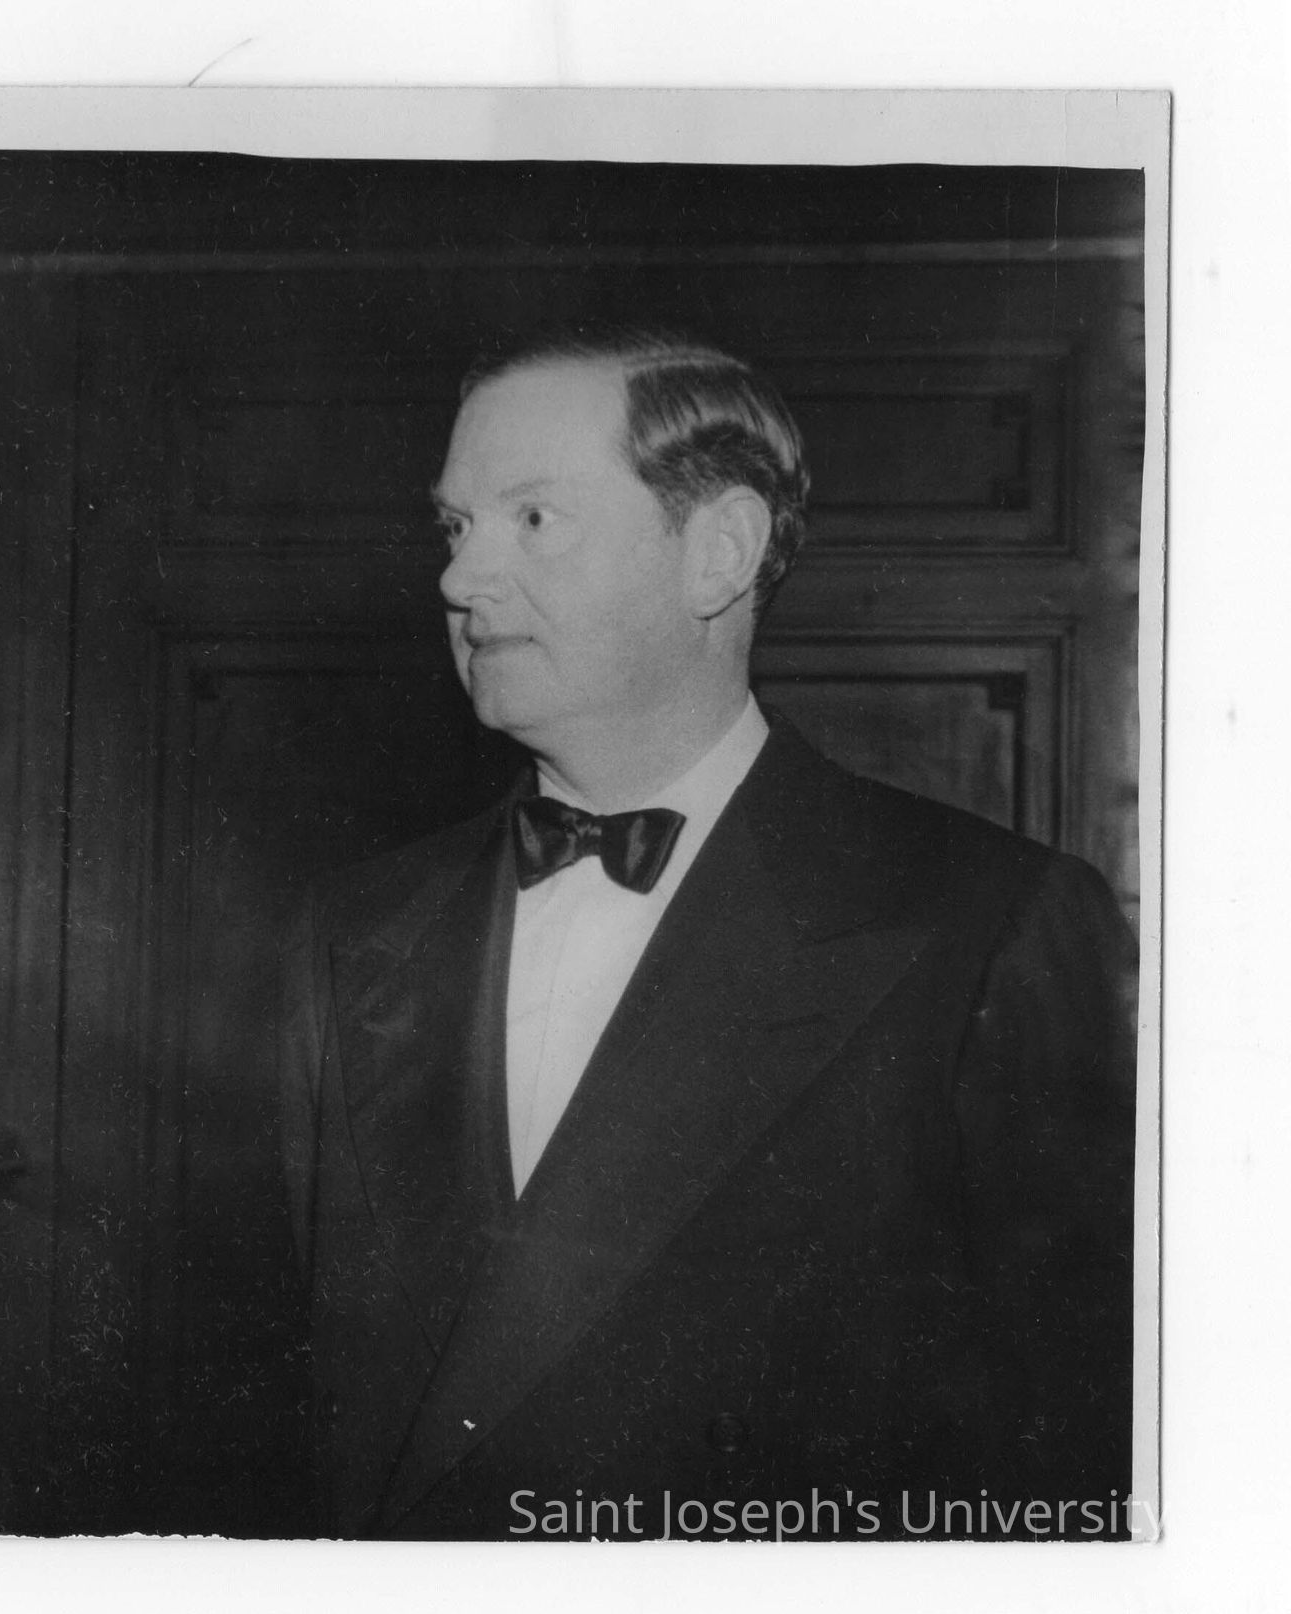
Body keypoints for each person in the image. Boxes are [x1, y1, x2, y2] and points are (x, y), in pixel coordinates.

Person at [281, 329, 1137, 1540]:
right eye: (455, 527)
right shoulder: (353, 931)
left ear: (719, 552)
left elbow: (1073, 1462)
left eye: (533, 519)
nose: (460, 580)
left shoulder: (992, 926)